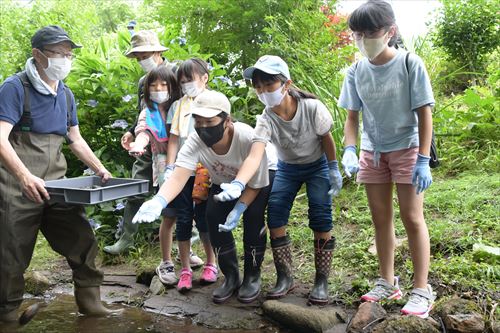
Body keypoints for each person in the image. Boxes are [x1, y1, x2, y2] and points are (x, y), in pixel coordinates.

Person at [0, 25, 116, 322]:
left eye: (68, 53)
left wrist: (100, 169)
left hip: (58, 183)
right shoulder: (15, 88)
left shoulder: (65, 94)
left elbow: (75, 139)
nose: (65, 59)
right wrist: (25, 176)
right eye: (58, 53)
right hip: (16, 183)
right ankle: (8, 312)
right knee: (11, 250)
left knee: (82, 238)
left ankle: (90, 303)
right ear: (38, 54)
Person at [214, 55, 343, 305]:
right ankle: (285, 276)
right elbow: (255, 153)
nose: (263, 92)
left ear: (286, 84)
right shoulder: (266, 118)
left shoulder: (311, 107)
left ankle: (321, 281)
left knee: (321, 213)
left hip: (317, 166)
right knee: (275, 214)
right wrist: (240, 184)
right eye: (258, 87)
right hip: (287, 168)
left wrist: (333, 167)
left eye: (268, 85)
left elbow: (327, 138)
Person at [338, 0, 435, 318]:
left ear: (390, 31)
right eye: (357, 33)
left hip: (406, 148)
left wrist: (422, 158)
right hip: (372, 151)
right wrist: (350, 149)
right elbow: (352, 118)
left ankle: (421, 289)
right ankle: (387, 281)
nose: (362, 38)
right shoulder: (355, 71)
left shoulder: (410, 63)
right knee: (381, 218)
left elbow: (425, 113)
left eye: (369, 32)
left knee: (412, 216)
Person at [133, 90, 274, 304]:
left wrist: (238, 208)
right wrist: (159, 201)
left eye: (209, 121)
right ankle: (231, 276)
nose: (203, 127)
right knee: (212, 216)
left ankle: (252, 276)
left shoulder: (246, 137)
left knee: (253, 217)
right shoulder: (195, 140)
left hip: (260, 176)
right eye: (198, 120)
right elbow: (179, 177)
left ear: (226, 121)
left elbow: (254, 185)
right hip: (223, 180)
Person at [105, 30, 203, 269]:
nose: (142, 60)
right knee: (136, 187)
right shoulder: (143, 82)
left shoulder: (178, 74)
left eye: (145, 55)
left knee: (185, 195)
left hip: (178, 145)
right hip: (149, 142)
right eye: (137, 57)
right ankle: (126, 238)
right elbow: (145, 111)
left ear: (159, 52)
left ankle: (188, 245)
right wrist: (132, 131)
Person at [158, 58, 219, 293]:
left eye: (189, 80)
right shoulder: (178, 106)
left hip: (207, 171)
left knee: (204, 219)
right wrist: (171, 167)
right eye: (182, 82)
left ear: (204, 78)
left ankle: (211, 263)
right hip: (184, 171)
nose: (186, 86)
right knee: (183, 218)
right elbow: (174, 138)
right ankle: (184, 269)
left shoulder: (214, 101)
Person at [127, 65, 181, 285]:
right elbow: (143, 133)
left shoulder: (179, 107)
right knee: (169, 213)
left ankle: (185, 253)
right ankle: (166, 261)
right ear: (147, 90)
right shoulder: (147, 112)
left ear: (172, 87)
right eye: (153, 85)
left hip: (187, 163)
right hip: (163, 167)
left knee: (190, 212)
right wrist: (137, 145)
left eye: (164, 84)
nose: (158, 89)